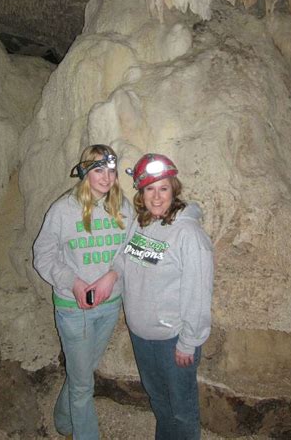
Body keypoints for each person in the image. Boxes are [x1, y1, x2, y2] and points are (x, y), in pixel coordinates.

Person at [94, 152, 214, 440]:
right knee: (159, 401)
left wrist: (188, 342)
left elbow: (198, 294)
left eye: (163, 188)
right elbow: (127, 256)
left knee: (181, 409)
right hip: (142, 337)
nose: (157, 197)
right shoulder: (143, 222)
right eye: (150, 189)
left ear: (174, 189)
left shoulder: (188, 235)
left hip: (173, 342)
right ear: (141, 192)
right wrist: (111, 276)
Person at [33, 144, 133, 440]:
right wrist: (74, 282)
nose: (106, 177)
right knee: (82, 385)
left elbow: (132, 247)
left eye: (111, 171)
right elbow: (44, 254)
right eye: (98, 170)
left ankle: (63, 421)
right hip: (72, 308)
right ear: (84, 172)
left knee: (83, 371)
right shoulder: (63, 210)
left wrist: (112, 275)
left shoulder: (123, 207)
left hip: (109, 304)